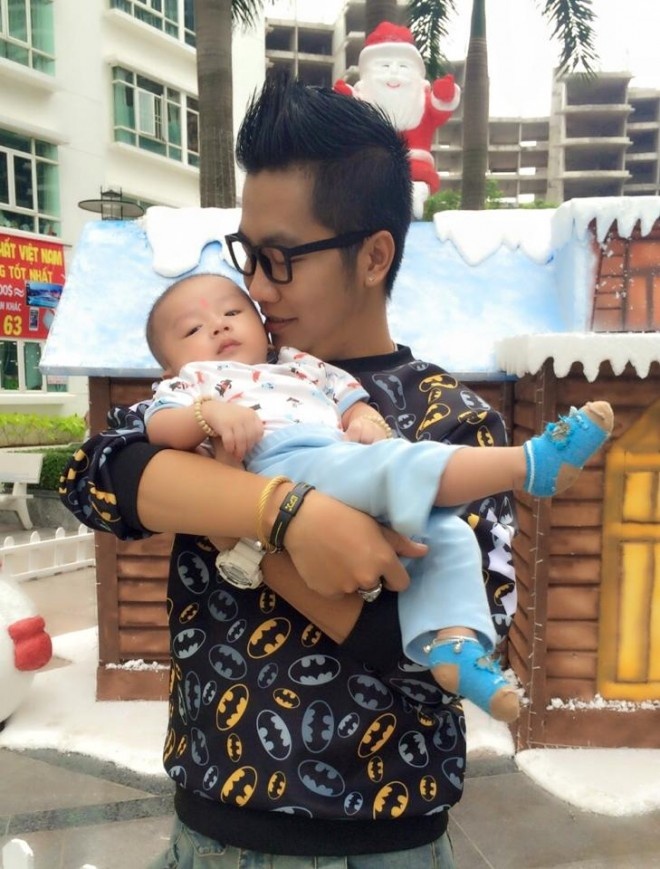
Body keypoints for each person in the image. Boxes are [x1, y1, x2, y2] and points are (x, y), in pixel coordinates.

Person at [59, 71, 553, 867]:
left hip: (386, 840)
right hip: (218, 830)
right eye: (249, 255)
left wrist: (242, 534)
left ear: (374, 255)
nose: (254, 287)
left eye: (281, 258)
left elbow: (429, 653)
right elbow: (98, 475)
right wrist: (284, 512)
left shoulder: (452, 421)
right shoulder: (222, 383)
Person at [143, 273, 613, 723]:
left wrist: (366, 421)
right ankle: (531, 466)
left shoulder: (300, 365)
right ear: (169, 366)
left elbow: (355, 404)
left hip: (337, 456)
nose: (219, 326)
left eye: (232, 312)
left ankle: (456, 646)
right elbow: (159, 428)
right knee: (398, 465)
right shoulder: (192, 382)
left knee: (446, 534)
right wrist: (207, 415)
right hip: (277, 465)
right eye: (193, 329)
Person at [334, 21, 461, 218]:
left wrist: (444, 95)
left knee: (414, 177)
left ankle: (414, 195)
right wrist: (343, 100)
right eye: (384, 66)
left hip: (414, 165)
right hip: (370, 164)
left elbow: (440, 107)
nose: (393, 72)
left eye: (403, 66)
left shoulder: (422, 100)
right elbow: (344, 116)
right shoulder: (363, 100)